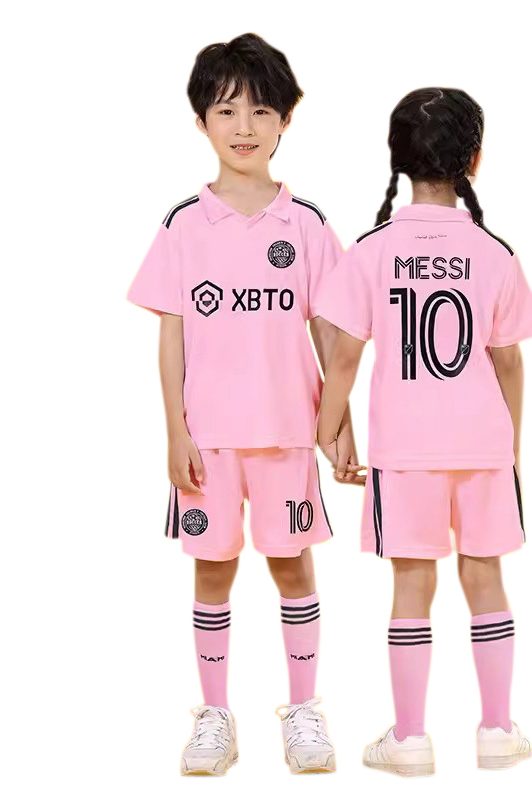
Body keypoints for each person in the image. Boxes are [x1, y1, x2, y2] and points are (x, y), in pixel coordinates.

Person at [127, 33, 361, 776]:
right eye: (227, 110)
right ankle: (215, 716)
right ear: (201, 120)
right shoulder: (183, 225)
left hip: (288, 433)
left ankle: (304, 710)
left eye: (262, 109)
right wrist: (174, 431)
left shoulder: (307, 224)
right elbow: (172, 335)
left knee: (292, 567)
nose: (244, 126)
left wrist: (338, 423)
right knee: (212, 571)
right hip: (210, 441)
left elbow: (331, 332)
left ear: (286, 119)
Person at [314, 87, 532, 776]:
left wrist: (329, 432)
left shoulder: (372, 250)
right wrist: (511, 449)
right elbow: (509, 361)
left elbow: (344, 357)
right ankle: (497, 729)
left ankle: (410, 739)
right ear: (474, 159)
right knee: (486, 577)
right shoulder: (494, 252)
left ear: (398, 159)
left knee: (412, 587)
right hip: (482, 447)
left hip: (405, 451)